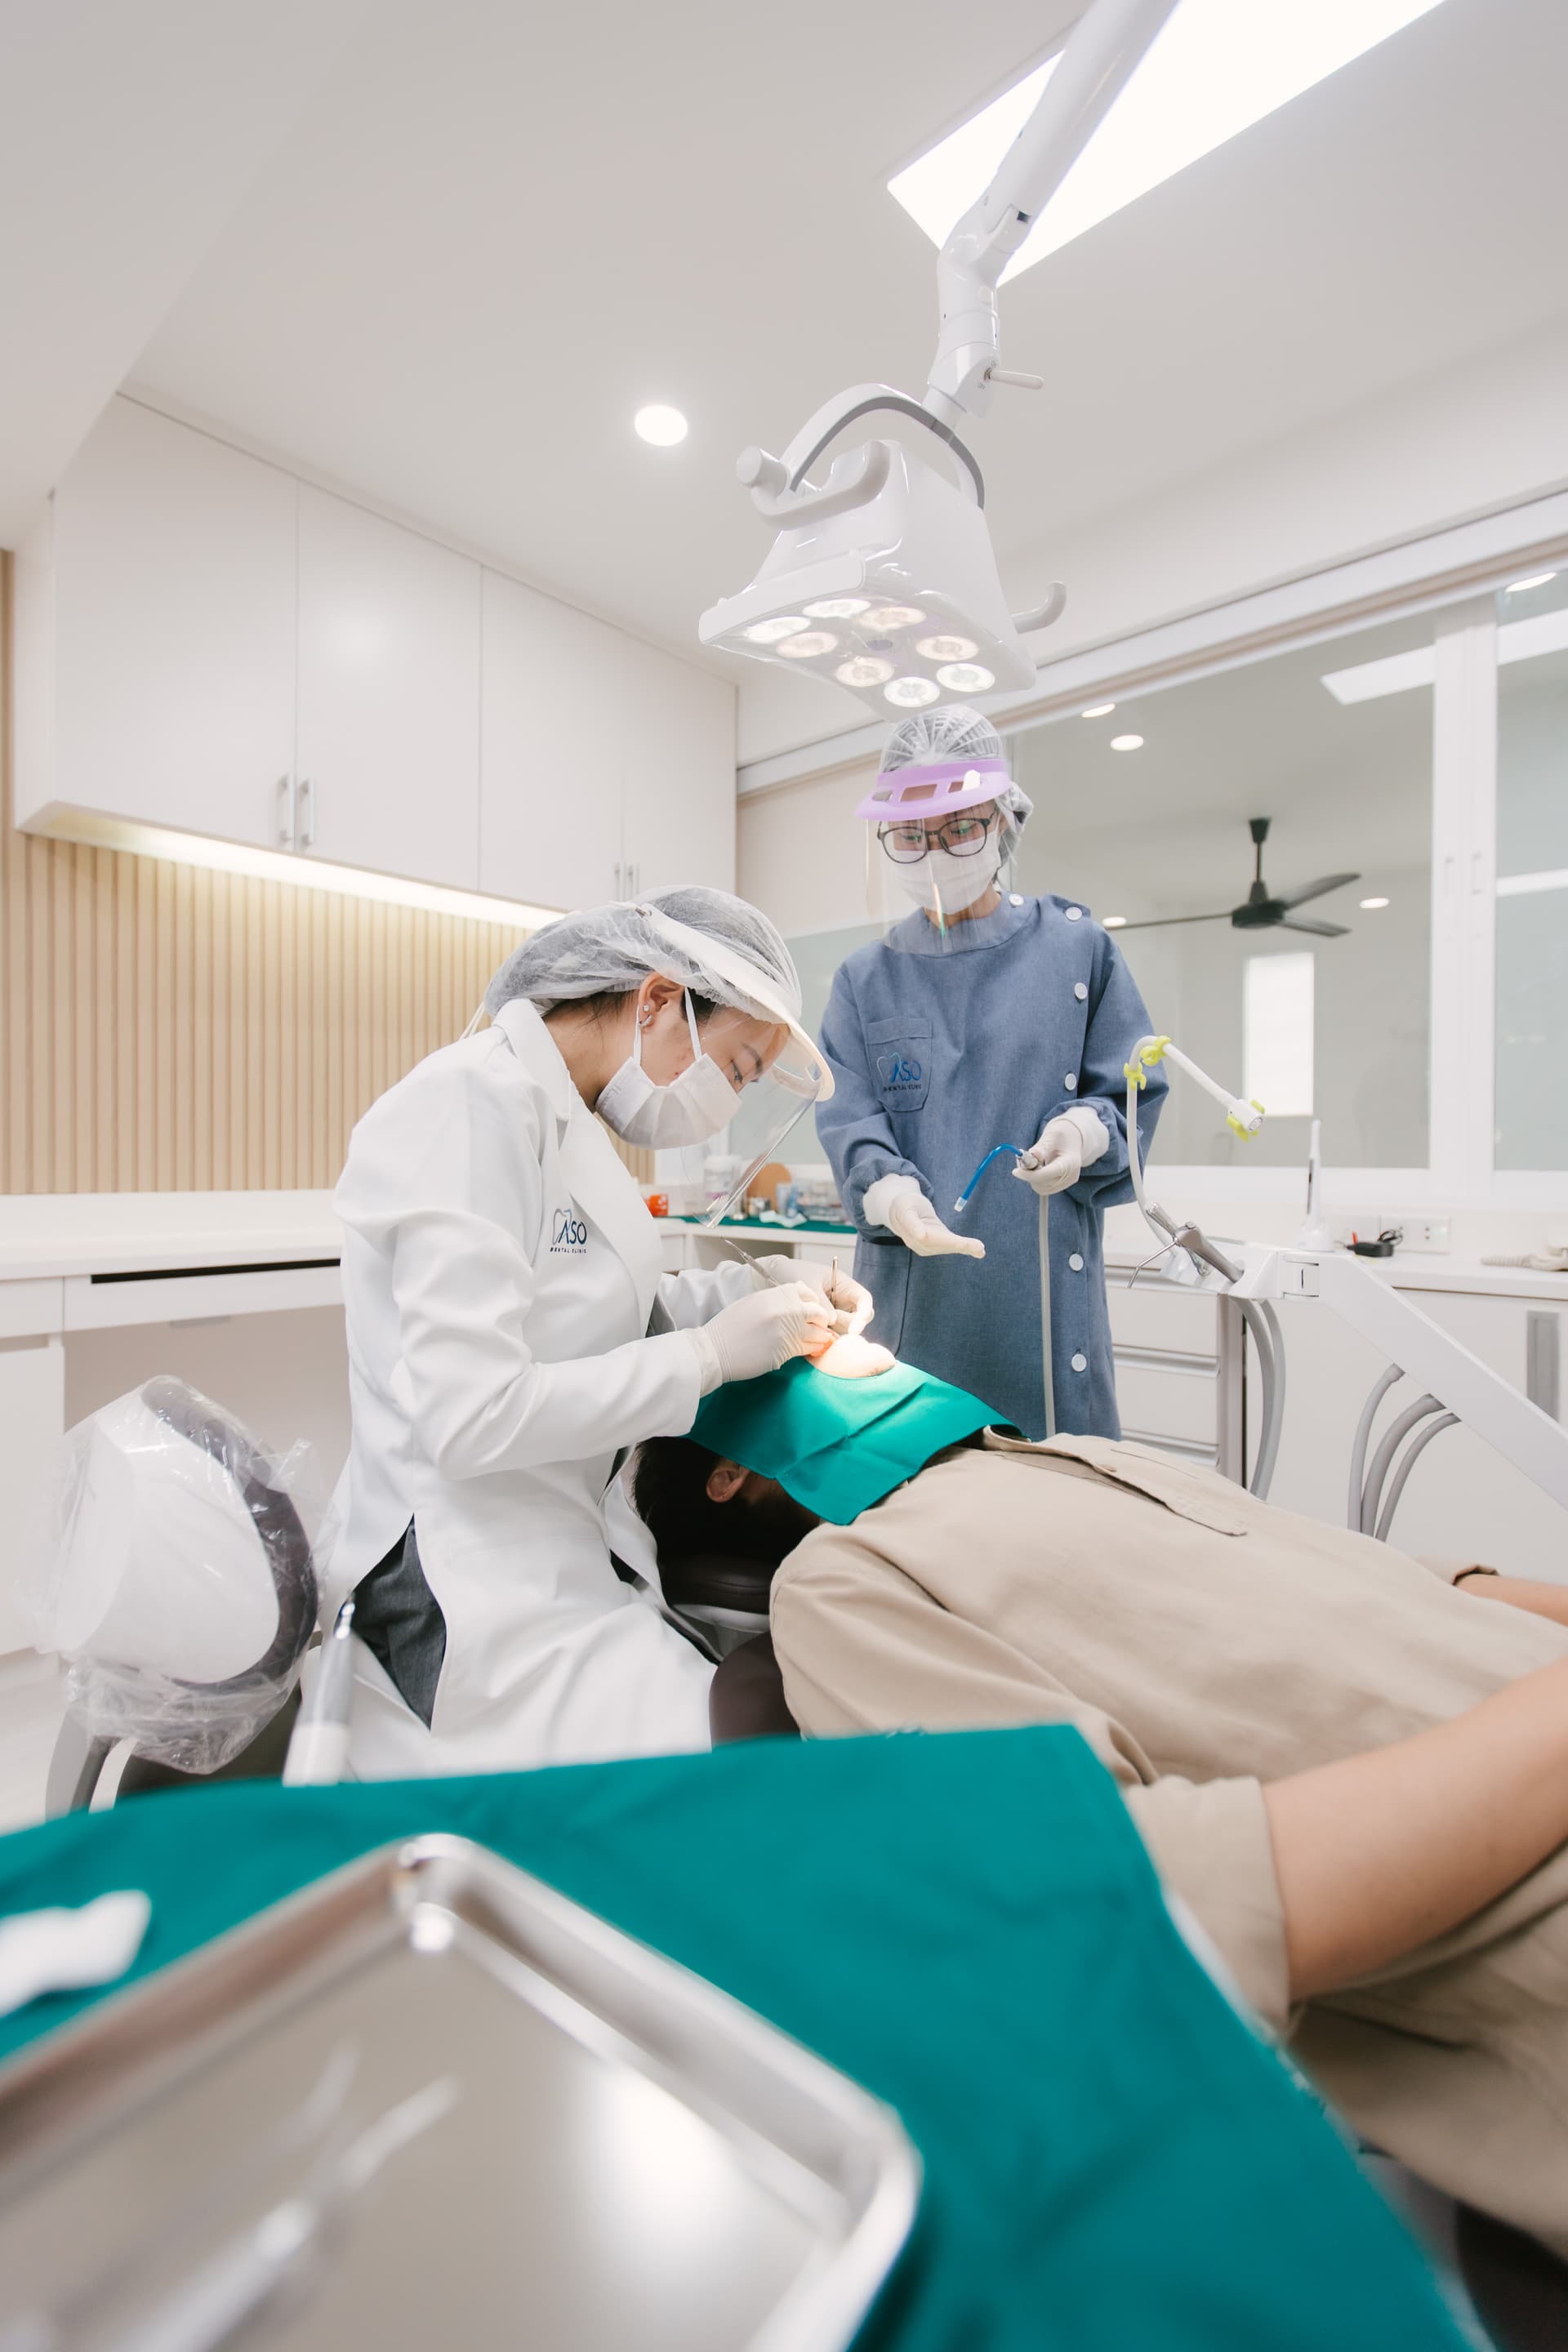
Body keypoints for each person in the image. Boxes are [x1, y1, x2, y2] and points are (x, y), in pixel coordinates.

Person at [631, 1377, 1568, 2259]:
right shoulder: (847, 1581)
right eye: (814, 1352)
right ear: (732, 1471)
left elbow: (1400, 1584)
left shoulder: (1073, 1455)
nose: (866, 1346)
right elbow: (1145, 1910)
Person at [330, 888, 872, 1779]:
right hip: (462, 1589)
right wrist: (708, 1356)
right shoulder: (467, 1108)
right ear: (657, 1001)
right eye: (736, 1069)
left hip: (563, 1547)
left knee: (736, 1730)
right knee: (719, 1774)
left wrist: (756, 1289)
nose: (729, 1101)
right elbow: (471, 1418)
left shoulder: (569, 1122)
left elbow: (598, 1311)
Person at [817, 705, 1165, 1442]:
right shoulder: (864, 980)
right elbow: (849, 1112)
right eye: (911, 835)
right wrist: (888, 1189)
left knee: (1060, 1522)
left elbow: (1130, 1092)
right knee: (909, 1520)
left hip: (1042, 1322)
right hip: (914, 1318)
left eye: (960, 827)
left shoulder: (1079, 952)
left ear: (1005, 820)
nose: (935, 852)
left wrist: (1088, 1130)